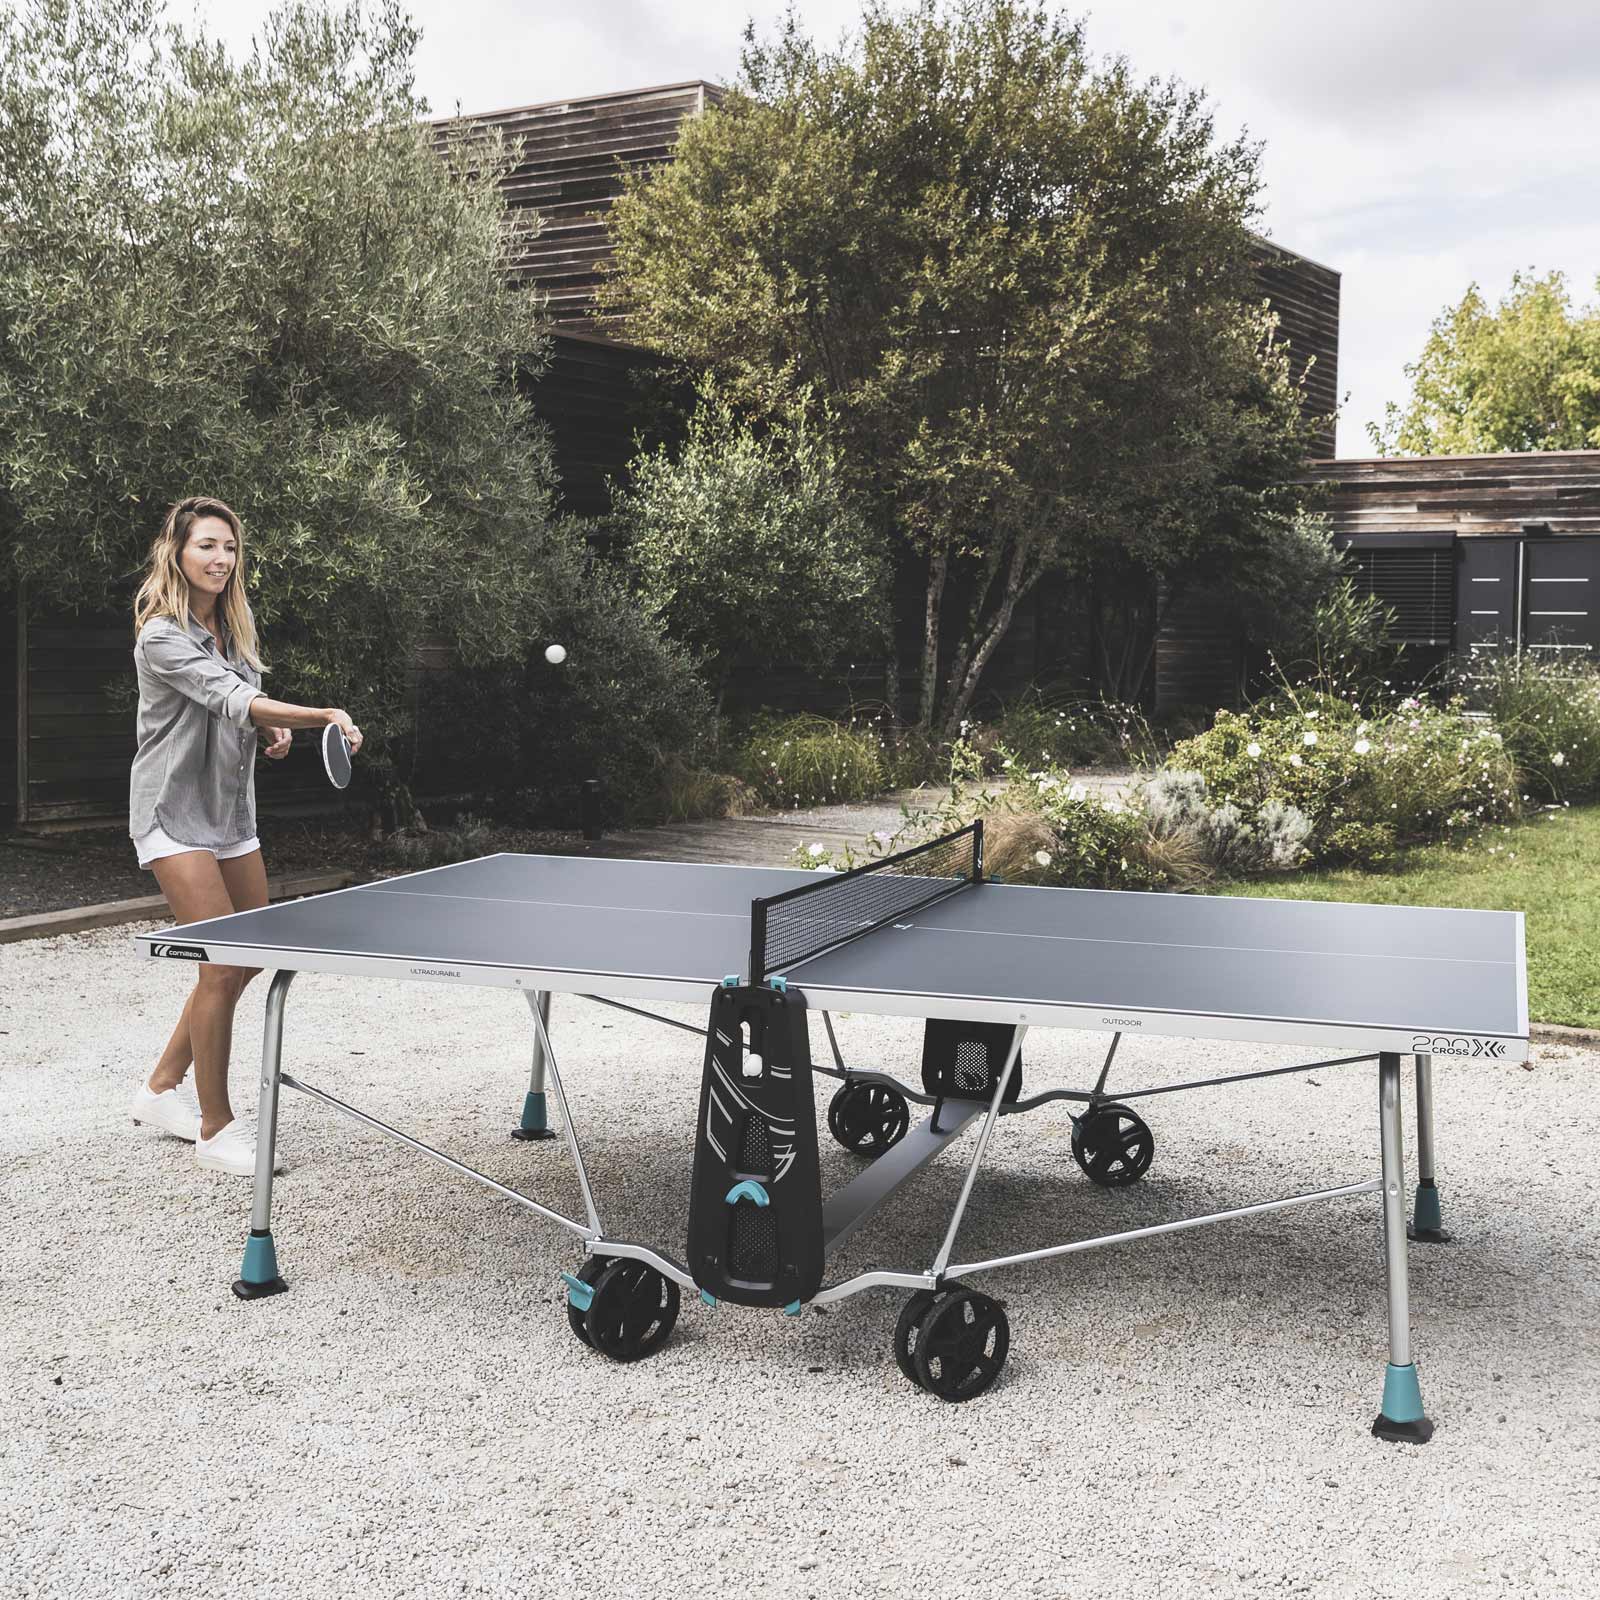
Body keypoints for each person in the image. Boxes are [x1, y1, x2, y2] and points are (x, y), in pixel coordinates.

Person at [128, 496, 362, 1176]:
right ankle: (215, 1127)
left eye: (229, 547)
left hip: (231, 813)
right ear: (177, 552)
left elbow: (241, 706)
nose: (221, 558)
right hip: (174, 813)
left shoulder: (234, 628)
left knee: (246, 956)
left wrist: (270, 727)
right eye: (206, 545)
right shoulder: (162, 635)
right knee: (221, 962)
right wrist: (322, 713)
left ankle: (158, 1090)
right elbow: (230, 697)